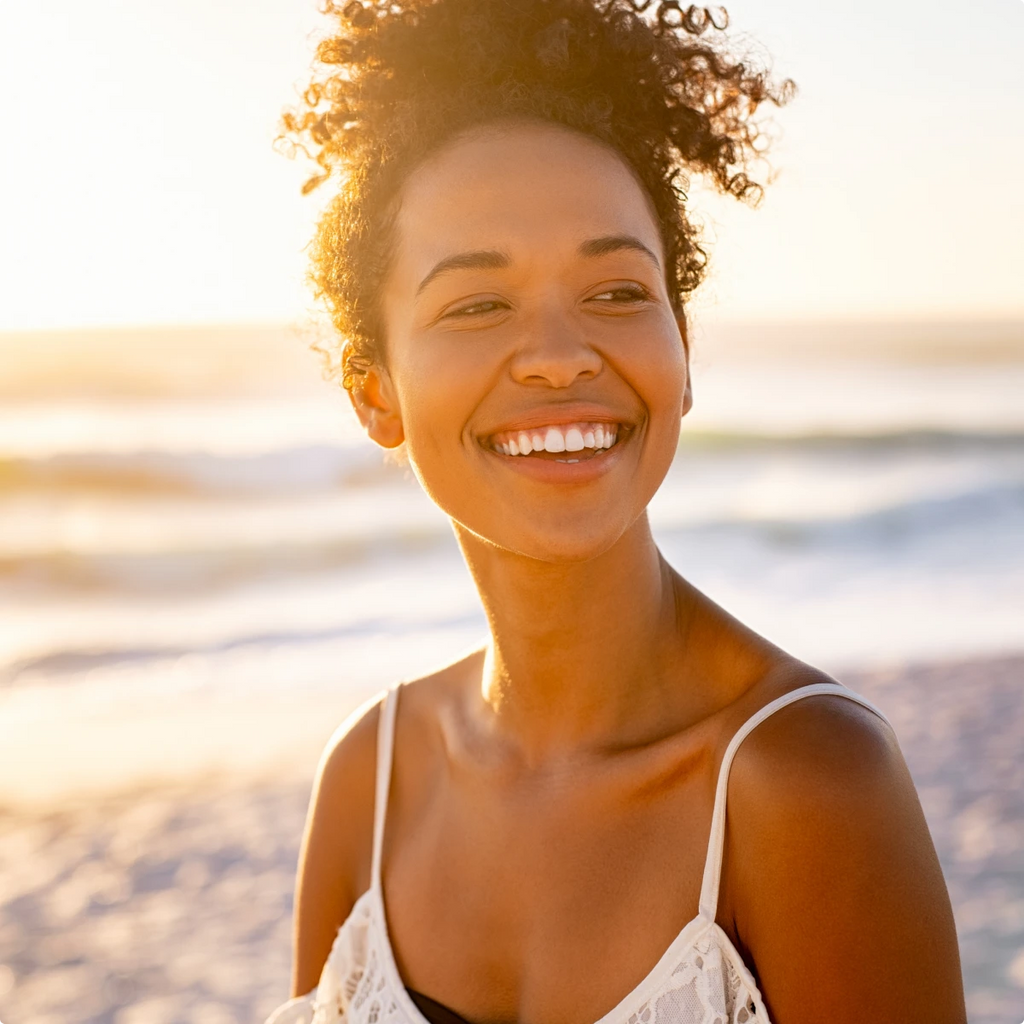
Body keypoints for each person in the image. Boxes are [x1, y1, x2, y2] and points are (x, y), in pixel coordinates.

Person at [267, 1, 966, 1021]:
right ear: (373, 388)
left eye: (616, 292)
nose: (559, 352)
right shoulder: (367, 783)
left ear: (682, 354)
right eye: (476, 304)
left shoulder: (804, 782)